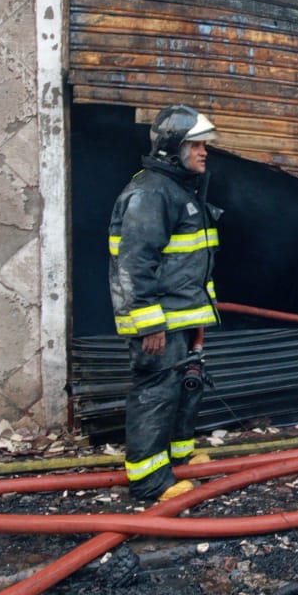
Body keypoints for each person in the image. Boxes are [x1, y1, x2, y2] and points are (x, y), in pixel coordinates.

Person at [108, 104, 222, 501]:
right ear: (173, 148)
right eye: (196, 144)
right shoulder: (151, 193)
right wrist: (149, 323)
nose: (204, 151)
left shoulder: (176, 190)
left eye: (205, 144)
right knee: (156, 393)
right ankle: (150, 481)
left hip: (183, 315)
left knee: (182, 388)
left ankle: (178, 460)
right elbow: (135, 264)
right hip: (160, 320)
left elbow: (189, 263)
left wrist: (202, 315)